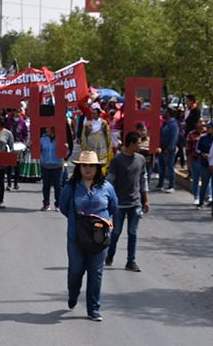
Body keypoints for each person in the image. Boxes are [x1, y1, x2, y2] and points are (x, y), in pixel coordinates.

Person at [59, 151, 118, 321]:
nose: (88, 169)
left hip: (99, 237)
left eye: (91, 165)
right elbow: (64, 207)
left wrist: (99, 221)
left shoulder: (106, 187)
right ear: (79, 167)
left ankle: (93, 309)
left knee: (96, 272)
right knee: (76, 270)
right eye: (84, 165)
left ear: (97, 168)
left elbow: (113, 207)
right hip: (76, 236)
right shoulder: (71, 187)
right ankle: (73, 294)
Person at [105, 132, 149, 272]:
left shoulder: (141, 159)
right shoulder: (117, 160)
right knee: (116, 232)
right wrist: (105, 198)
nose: (140, 146)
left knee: (133, 233)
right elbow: (110, 180)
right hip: (119, 204)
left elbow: (143, 179)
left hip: (135, 203)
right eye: (138, 143)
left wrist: (145, 199)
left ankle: (131, 261)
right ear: (130, 144)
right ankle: (110, 255)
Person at [40, 127, 65, 212]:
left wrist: (66, 148)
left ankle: (58, 204)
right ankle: (46, 204)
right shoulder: (43, 139)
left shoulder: (60, 139)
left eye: (48, 128)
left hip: (57, 165)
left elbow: (66, 153)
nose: (46, 129)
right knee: (46, 185)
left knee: (58, 186)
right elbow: (37, 150)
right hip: (45, 165)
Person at [186, 118, 210, 205]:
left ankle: (208, 196)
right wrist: (188, 162)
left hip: (206, 160)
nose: (202, 123)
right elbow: (188, 149)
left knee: (207, 179)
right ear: (196, 123)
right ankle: (196, 197)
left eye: (203, 121)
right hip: (195, 159)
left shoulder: (208, 133)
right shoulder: (191, 134)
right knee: (196, 179)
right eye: (199, 122)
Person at [155, 107, 180, 193]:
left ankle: (171, 186)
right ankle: (160, 184)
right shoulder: (165, 124)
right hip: (162, 149)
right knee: (161, 167)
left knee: (170, 167)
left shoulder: (173, 124)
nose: (163, 113)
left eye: (165, 112)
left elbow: (174, 137)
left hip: (169, 151)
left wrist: (170, 148)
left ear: (168, 113)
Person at [80, 104, 111, 169]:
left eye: (94, 113)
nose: (92, 115)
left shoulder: (103, 123)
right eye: (92, 113)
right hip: (91, 144)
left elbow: (107, 134)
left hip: (101, 144)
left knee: (101, 162)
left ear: (98, 114)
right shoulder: (88, 123)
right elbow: (84, 135)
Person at [195, 122, 213, 209]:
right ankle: (201, 202)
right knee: (204, 184)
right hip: (205, 164)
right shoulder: (203, 137)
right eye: (207, 127)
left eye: (210, 127)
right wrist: (202, 154)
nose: (208, 129)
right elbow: (197, 149)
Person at [5, 108, 28, 190]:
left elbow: (25, 134)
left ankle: (16, 183)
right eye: (16, 112)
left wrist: (24, 142)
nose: (17, 113)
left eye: (19, 112)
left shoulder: (22, 122)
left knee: (17, 165)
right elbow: (6, 131)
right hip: (10, 144)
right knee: (9, 165)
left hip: (18, 144)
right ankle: (9, 183)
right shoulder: (9, 121)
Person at [0, 116, 14, 208]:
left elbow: (11, 147)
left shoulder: (7, 133)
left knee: (0, 182)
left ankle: (0, 200)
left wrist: (9, 159)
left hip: (2, 161)